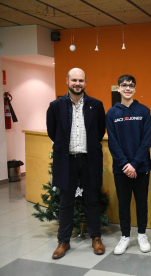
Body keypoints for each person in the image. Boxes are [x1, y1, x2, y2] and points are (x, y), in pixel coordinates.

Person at [46, 68, 106, 259]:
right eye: (74, 80)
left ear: (85, 82)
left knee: (92, 201)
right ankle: (63, 241)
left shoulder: (96, 105)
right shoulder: (56, 106)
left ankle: (96, 237)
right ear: (67, 81)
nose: (77, 83)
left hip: (89, 160)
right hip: (67, 161)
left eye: (81, 80)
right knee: (65, 203)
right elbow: (52, 131)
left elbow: (99, 130)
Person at [106, 75, 151, 255]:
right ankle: (125, 236)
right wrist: (125, 164)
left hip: (141, 167)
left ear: (135, 88)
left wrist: (134, 164)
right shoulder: (112, 113)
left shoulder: (144, 111)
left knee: (142, 203)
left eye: (131, 85)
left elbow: (146, 140)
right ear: (118, 88)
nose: (127, 88)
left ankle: (142, 234)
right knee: (123, 203)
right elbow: (113, 142)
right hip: (121, 169)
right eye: (124, 85)